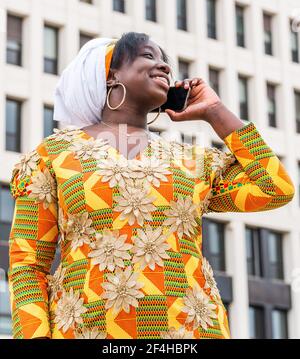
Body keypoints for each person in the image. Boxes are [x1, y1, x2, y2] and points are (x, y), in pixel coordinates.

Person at [8, 32, 295, 339]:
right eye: (148, 56)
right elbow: (28, 266)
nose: (165, 67)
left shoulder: (192, 161)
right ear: (110, 75)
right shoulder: (53, 156)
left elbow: (275, 187)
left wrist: (215, 113)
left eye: (165, 61)